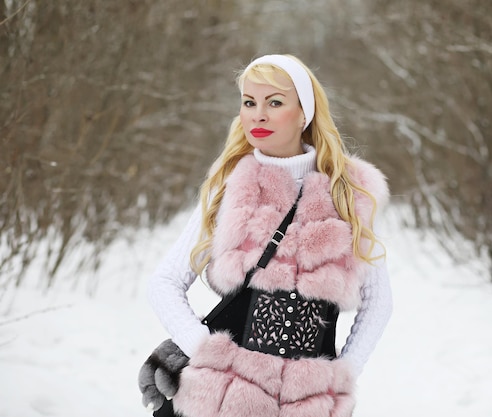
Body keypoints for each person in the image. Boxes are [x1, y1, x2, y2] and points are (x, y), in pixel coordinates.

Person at [138, 54, 393, 417]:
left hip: (308, 406)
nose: (258, 114)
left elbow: (378, 302)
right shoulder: (229, 187)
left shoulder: (348, 193)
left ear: (304, 113)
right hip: (217, 402)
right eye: (249, 102)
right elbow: (164, 282)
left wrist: (343, 375)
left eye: (274, 102)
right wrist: (206, 353)